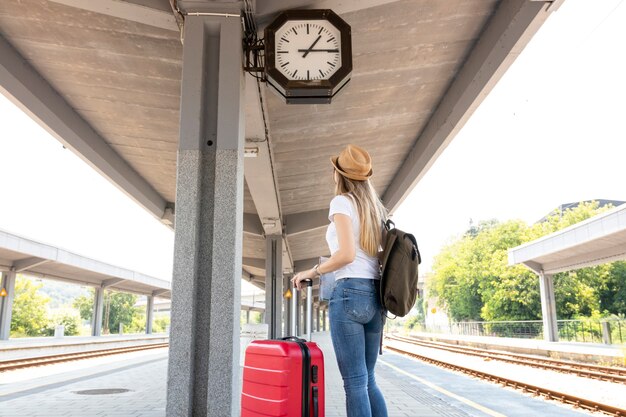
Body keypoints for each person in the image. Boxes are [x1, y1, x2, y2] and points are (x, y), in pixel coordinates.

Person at [292, 144, 389, 417]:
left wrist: (312, 272)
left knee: (355, 383)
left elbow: (345, 254)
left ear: (339, 175)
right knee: (368, 379)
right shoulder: (375, 209)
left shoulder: (342, 202)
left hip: (349, 295)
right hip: (376, 297)